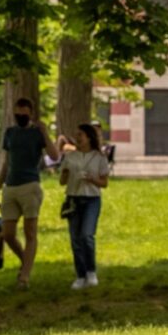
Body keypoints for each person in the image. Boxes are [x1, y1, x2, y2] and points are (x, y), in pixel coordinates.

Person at [0, 97, 60, 290]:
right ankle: (26, 261)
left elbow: (55, 156)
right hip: (10, 187)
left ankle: (24, 277)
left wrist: (45, 132)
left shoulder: (37, 133)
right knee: (7, 233)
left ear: (30, 113)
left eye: (23, 113)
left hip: (30, 186)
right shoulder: (10, 133)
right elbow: (6, 163)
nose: (20, 116)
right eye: (17, 113)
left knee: (30, 232)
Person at [57, 121, 111, 289]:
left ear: (89, 137)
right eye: (77, 135)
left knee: (87, 235)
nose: (77, 138)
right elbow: (62, 182)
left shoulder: (99, 157)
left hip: (91, 199)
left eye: (80, 135)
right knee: (75, 239)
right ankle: (80, 275)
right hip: (73, 198)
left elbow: (104, 183)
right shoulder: (70, 157)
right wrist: (65, 174)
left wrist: (92, 179)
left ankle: (91, 271)